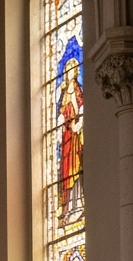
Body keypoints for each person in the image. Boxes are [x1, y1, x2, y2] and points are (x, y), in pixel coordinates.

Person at [56, 57, 84, 229]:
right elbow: (61, 113)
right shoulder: (63, 92)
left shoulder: (77, 90)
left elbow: (81, 108)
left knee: (76, 168)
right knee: (66, 171)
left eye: (71, 70)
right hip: (66, 137)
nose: (68, 73)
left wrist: (78, 125)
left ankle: (77, 205)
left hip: (74, 137)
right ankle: (67, 209)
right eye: (67, 70)